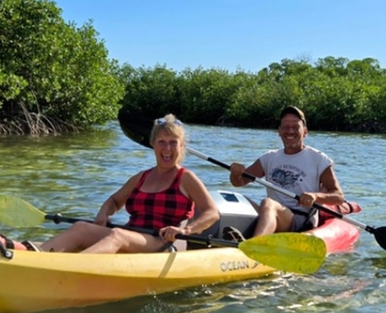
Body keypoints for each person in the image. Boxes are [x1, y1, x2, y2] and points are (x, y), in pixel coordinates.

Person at [38, 114, 220, 253]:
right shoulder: (141, 177)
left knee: (117, 235)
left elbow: (211, 213)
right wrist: (104, 213)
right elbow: (115, 201)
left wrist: (187, 230)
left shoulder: (186, 177)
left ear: (181, 147)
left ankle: (69, 268)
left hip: (162, 242)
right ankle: (35, 256)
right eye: (161, 142)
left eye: (173, 143)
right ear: (153, 144)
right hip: (132, 234)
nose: (167, 148)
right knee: (81, 227)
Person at [228, 106, 346, 237]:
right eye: (285, 127)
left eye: (295, 127)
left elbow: (339, 197)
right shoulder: (269, 158)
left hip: (301, 218)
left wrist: (315, 197)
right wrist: (235, 173)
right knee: (237, 198)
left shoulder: (319, 159)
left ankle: (255, 245)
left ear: (305, 131)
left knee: (268, 203)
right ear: (279, 131)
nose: (290, 131)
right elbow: (239, 182)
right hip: (274, 212)